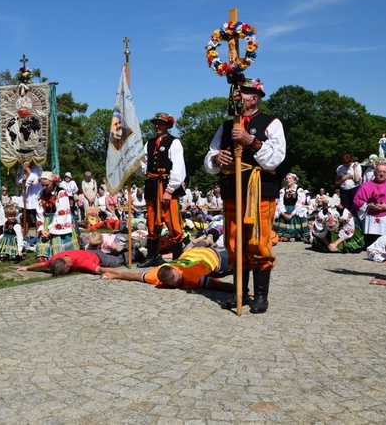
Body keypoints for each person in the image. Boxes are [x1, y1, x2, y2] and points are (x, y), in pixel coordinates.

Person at [204, 77, 286, 314]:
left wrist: (252, 142)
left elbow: (276, 158)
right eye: (235, 93)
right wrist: (217, 158)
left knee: (258, 241)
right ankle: (240, 293)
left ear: (255, 97)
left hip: (259, 190)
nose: (236, 97)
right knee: (233, 242)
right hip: (232, 189)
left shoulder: (271, 123)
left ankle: (261, 296)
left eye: (242, 93)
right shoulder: (226, 126)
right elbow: (210, 157)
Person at [136, 112, 187, 266]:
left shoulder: (174, 142)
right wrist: (134, 163)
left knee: (172, 222)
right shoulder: (149, 143)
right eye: (156, 123)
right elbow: (143, 168)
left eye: (161, 123)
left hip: (166, 184)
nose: (157, 126)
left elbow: (179, 169)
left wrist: (169, 190)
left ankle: (177, 258)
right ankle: (152, 256)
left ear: (168, 125)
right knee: (151, 222)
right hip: (151, 185)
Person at [100, 247, 236, 293]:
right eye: (176, 284)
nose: (180, 284)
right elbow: (133, 276)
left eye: (179, 280)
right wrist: (115, 275)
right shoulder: (157, 274)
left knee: (240, 256)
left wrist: (241, 291)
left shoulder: (191, 275)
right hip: (193, 252)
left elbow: (219, 286)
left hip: (213, 257)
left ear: (175, 271)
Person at [352, 162, 386, 247]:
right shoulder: (365, 186)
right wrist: (368, 205)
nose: (382, 174)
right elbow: (356, 201)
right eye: (379, 171)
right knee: (369, 243)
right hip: (369, 217)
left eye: (384, 172)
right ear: (374, 172)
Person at [35, 172, 78, 260]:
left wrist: (51, 231)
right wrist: (42, 228)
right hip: (46, 221)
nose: (44, 187)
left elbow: (62, 213)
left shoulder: (61, 193)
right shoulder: (41, 194)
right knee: (42, 255)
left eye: (47, 185)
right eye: (42, 185)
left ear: (53, 182)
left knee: (61, 253)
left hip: (58, 221)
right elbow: (39, 211)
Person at [16, 249, 115, 276]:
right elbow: (42, 265)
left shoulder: (81, 262)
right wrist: (27, 268)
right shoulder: (55, 259)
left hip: (101, 258)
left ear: (67, 267)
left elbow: (100, 269)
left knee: (118, 259)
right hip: (89, 253)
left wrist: (117, 274)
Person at [273, 173, 310, 242]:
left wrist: (292, 214)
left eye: (289, 178)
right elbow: (279, 202)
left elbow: (300, 202)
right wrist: (283, 213)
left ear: (294, 180)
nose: (287, 180)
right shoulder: (282, 190)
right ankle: (283, 236)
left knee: (299, 218)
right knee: (280, 231)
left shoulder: (299, 190)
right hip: (284, 210)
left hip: (295, 210)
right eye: (286, 179)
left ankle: (296, 236)